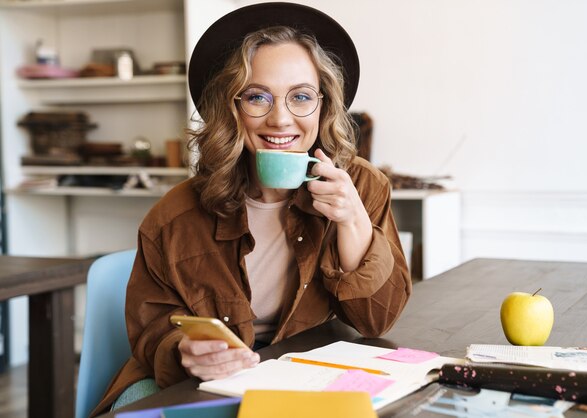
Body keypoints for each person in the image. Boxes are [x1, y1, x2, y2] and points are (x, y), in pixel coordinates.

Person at [91, 2, 411, 416]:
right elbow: (152, 330)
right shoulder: (174, 216)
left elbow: (376, 321)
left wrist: (352, 221)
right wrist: (182, 350)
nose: (281, 119)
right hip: (197, 382)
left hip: (302, 371)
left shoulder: (362, 186)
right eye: (257, 96)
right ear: (231, 107)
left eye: (300, 97)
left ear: (324, 104)